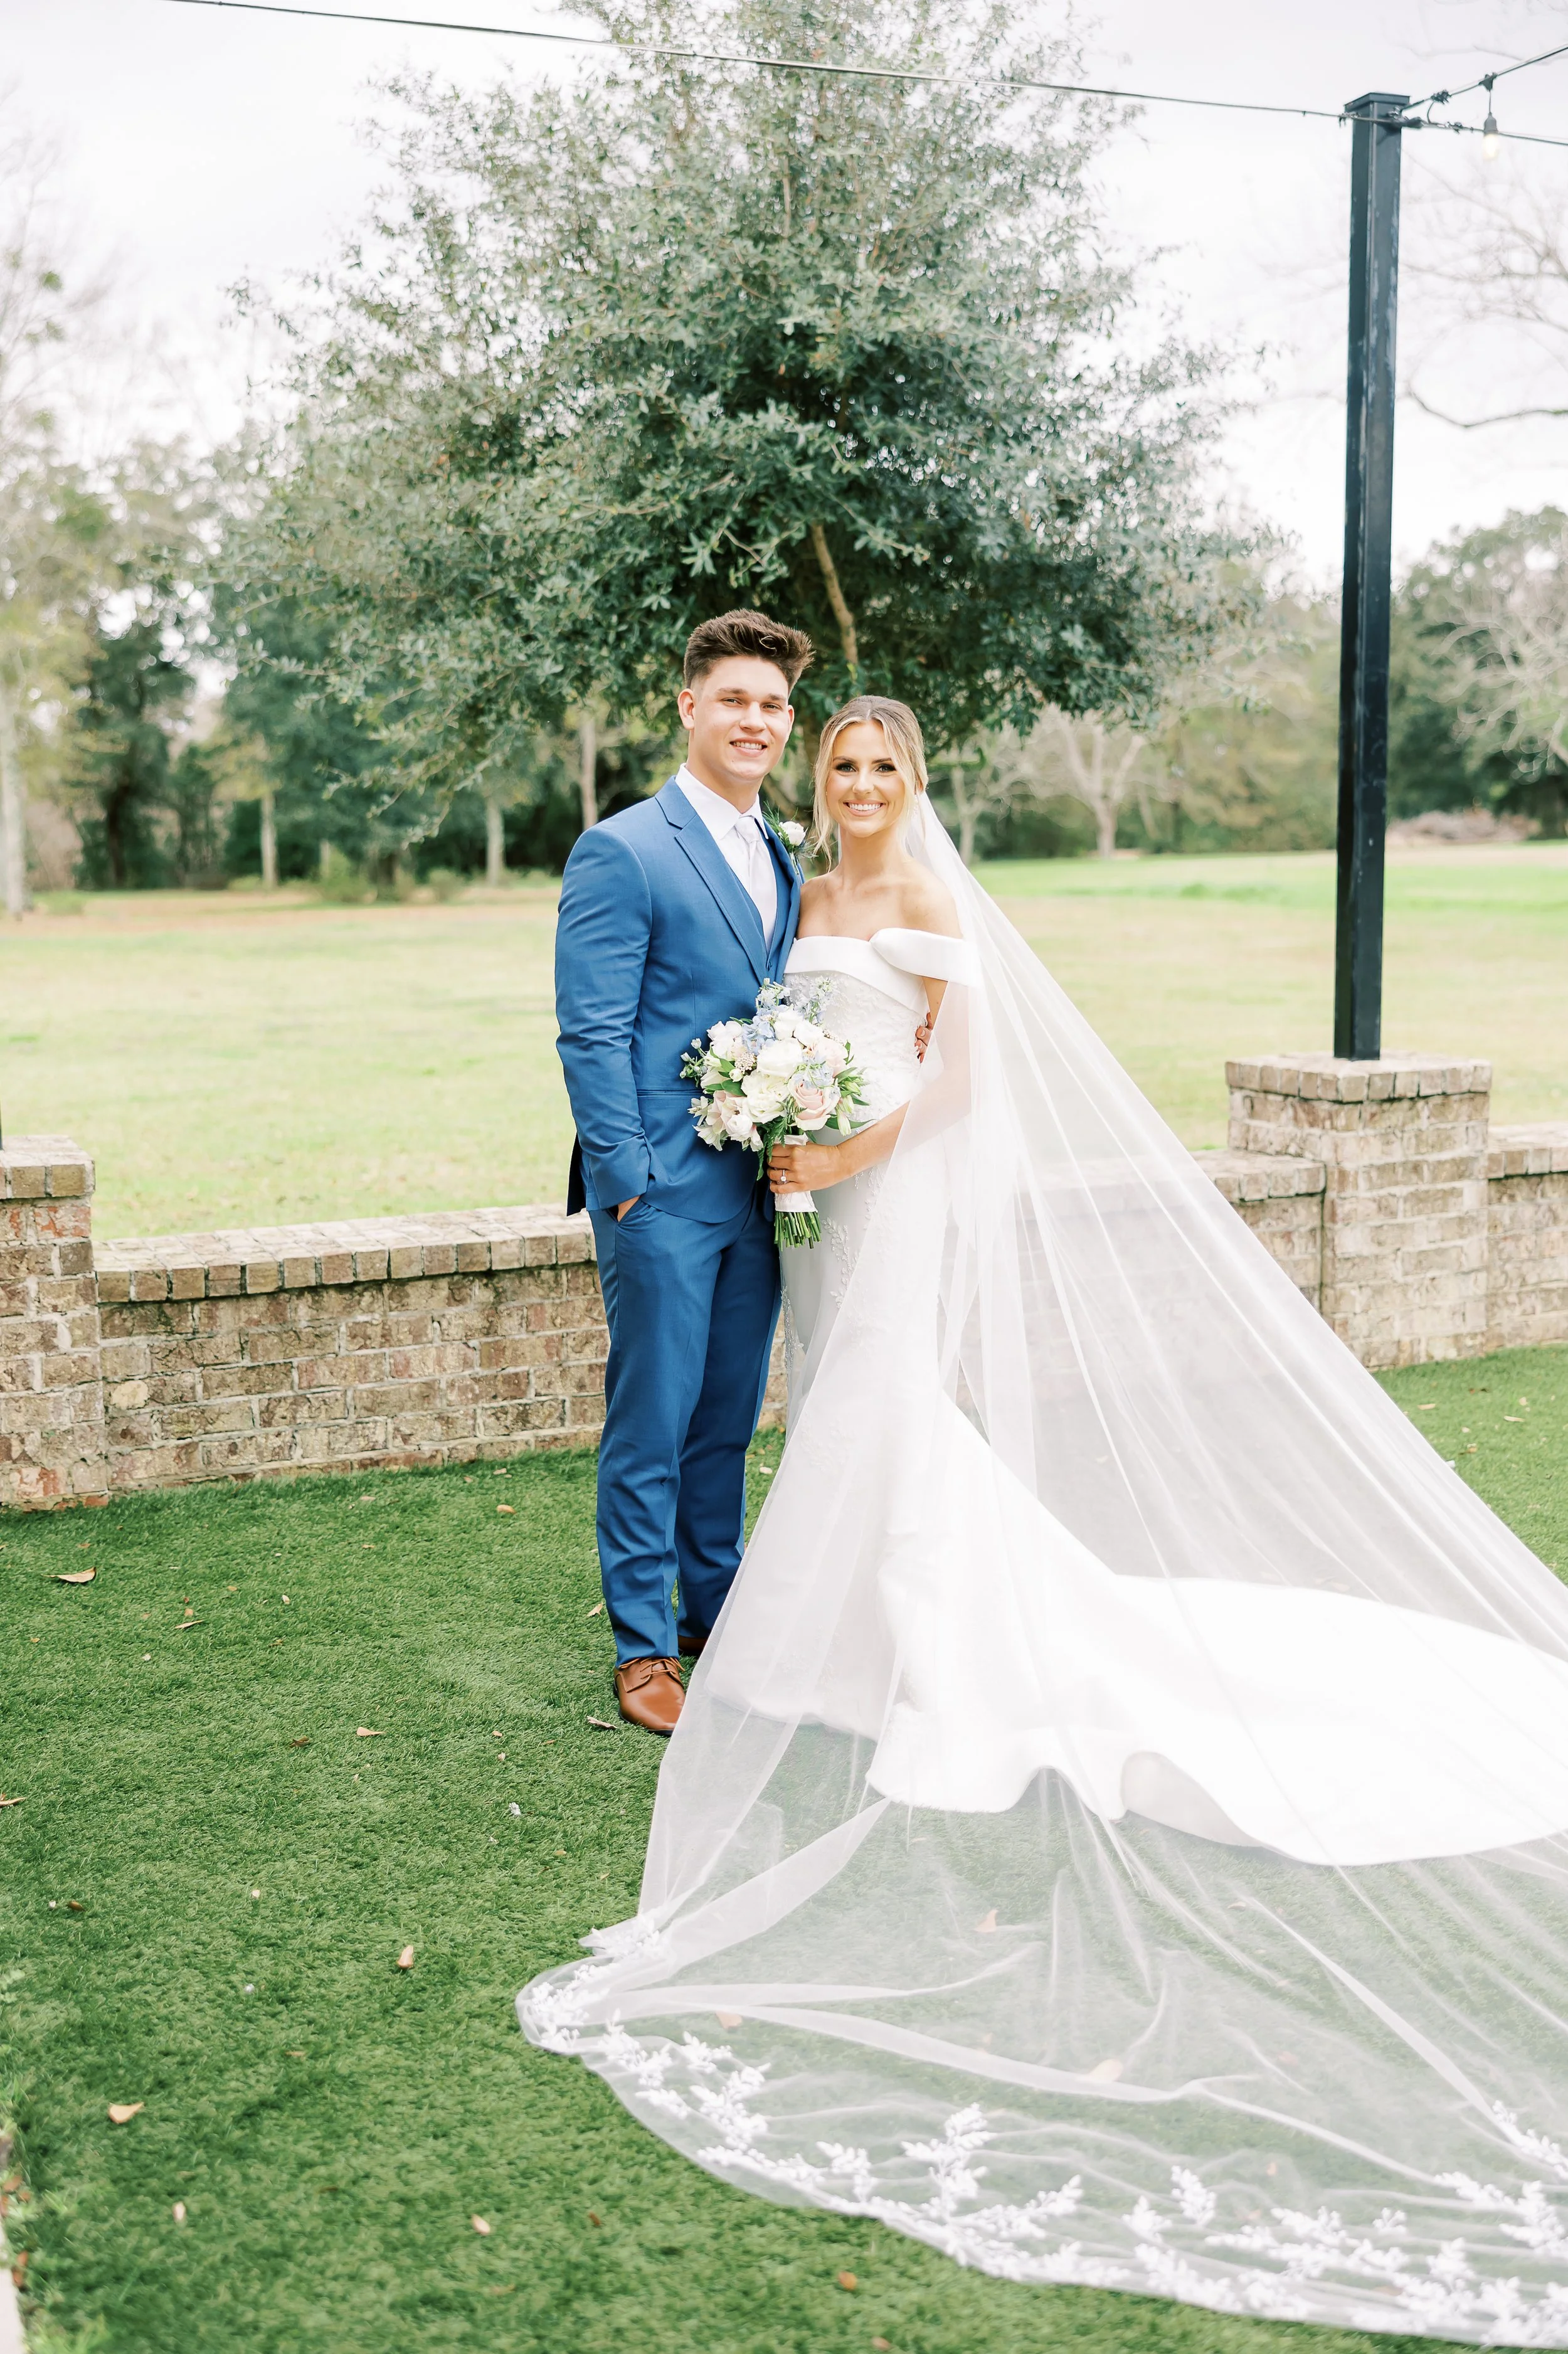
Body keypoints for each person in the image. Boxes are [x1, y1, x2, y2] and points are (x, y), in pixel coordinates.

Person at [527, 696, 1568, 2341]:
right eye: (837, 765)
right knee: (825, 1416)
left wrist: (842, 1139)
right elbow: (749, 1019)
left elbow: (953, 1081)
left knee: (880, 1409)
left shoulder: (926, 897)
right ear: (812, 778)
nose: (855, 784)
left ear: (911, 784)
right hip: (805, 1191)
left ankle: (948, 1660)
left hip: (887, 1186)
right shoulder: (806, 886)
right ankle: (838, 1622)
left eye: (877, 766)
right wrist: (773, 1127)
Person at [554, 608, 811, 1733]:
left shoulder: (781, 854)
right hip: (658, 1190)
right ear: (689, 706)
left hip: (759, 1185)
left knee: (726, 1417)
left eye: (772, 705)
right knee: (652, 1419)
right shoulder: (624, 847)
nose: (754, 720)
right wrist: (626, 1182)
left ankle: (720, 1613)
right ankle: (644, 1648)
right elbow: (592, 1031)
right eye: (736, 699)